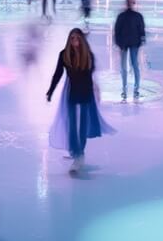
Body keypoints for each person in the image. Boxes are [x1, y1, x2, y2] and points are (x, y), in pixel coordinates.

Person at [46, 29, 114, 174]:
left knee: (83, 125)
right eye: (71, 38)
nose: (74, 41)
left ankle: (79, 154)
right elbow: (58, 74)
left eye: (77, 38)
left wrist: (96, 92)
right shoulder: (64, 55)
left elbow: (91, 77)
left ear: (81, 40)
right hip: (72, 93)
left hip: (85, 93)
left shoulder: (88, 56)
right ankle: (75, 151)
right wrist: (50, 90)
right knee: (71, 124)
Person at [113, 0, 146, 101]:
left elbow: (117, 30)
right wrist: (141, 41)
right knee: (133, 65)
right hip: (131, 43)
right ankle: (132, 88)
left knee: (128, 66)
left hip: (127, 44)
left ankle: (128, 88)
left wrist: (118, 42)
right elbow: (141, 30)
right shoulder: (136, 16)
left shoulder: (123, 16)